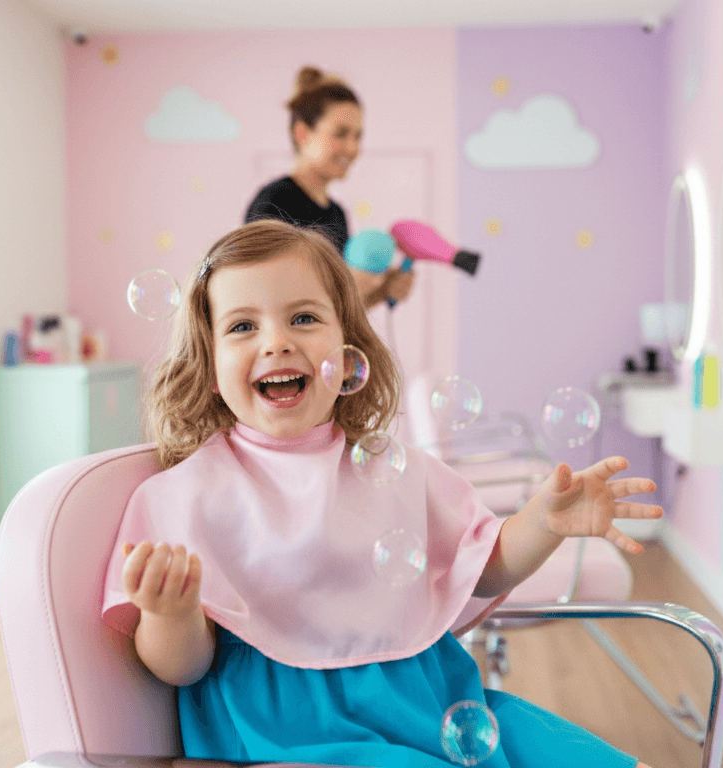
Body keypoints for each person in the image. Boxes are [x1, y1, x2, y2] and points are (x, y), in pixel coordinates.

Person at [101, 219, 661, 767]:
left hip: (431, 708)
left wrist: (545, 521)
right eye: (242, 326)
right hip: (291, 735)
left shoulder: (393, 467)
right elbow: (181, 668)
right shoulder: (181, 495)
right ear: (208, 362)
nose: (277, 342)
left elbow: (485, 568)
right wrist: (170, 614)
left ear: (348, 348)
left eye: (303, 318)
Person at [245, 66, 415, 311]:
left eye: (358, 136)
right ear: (303, 134)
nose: (353, 148)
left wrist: (379, 292)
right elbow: (264, 296)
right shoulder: (275, 202)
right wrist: (345, 286)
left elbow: (336, 311)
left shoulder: (337, 214)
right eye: (341, 134)